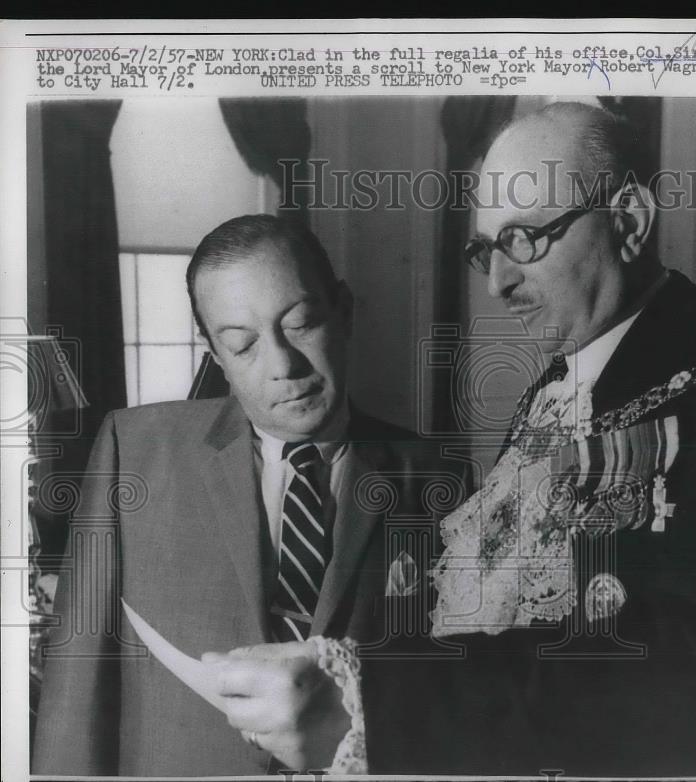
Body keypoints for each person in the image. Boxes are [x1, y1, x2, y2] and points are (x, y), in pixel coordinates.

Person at [357, 101, 696, 775]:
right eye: (487, 248)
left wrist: (386, 699)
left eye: (525, 238)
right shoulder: (557, 384)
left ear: (628, 222)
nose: (498, 281)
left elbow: (685, 662)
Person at [32, 215, 456, 776]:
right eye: (243, 344)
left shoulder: (434, 478)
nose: (284, 366)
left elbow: (448, 696)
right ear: (214, 353)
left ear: (344, 312)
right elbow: (73, 696)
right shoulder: (132, 452)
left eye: (301, 324)